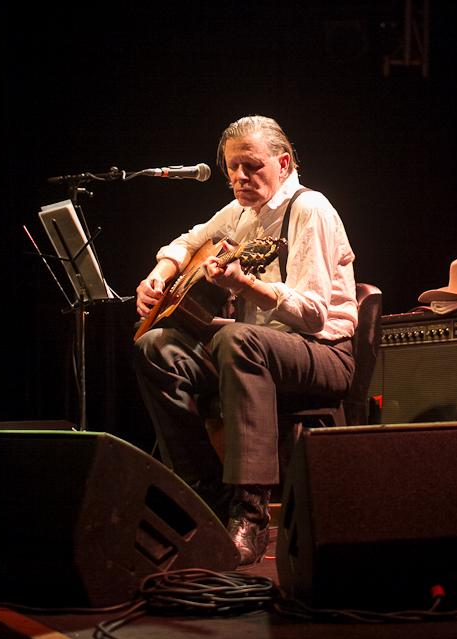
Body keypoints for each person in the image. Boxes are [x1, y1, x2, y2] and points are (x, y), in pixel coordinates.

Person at [133, 115, 358, 565]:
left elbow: (314, 316)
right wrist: (160, 272)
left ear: (283, 162)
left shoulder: (309, 208)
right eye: (232, 168)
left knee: (237, 339)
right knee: (156, 346)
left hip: (322, 353)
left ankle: (251, 514)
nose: (239, 177)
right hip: (255, 349)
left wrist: (246, 286)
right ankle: (204, 493)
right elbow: (189, 240)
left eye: (251, 166)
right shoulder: (239, 212)